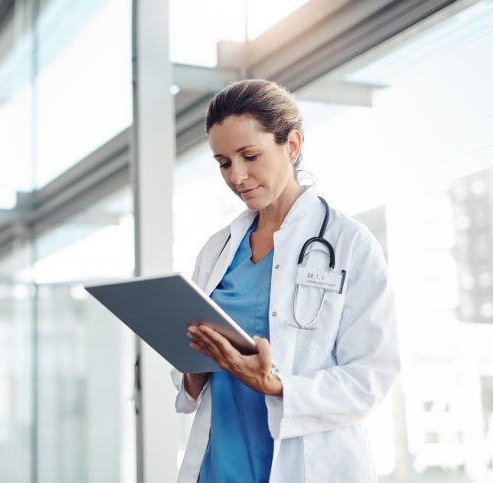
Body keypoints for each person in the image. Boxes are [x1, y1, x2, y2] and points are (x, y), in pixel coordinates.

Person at [171, 79, 400, 483]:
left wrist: (276, 386)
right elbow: (190, 374)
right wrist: (197, 366)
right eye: (224, 162)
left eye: (250, 155)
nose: (237, 176)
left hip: (308, 466)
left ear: (291, 145)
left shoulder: (349, 244)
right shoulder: (217, 250)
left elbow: (371, 377)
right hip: (219, 466)